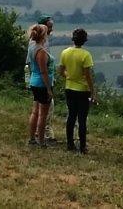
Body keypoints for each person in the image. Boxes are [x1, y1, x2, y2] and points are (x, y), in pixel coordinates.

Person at [59, 27, 96, 153]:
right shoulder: (86, 55)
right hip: (82, 90)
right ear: (85, 40)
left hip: (69, 88)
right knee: (82, 119)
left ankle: (70, 143)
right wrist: (93, 91)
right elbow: (88, 75)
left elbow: (60, 71)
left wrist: (68, 76)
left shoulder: (65, 52)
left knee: (71, 116)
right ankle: (82, 146)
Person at [27, 16, 57, 144]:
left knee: (35, 111)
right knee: (43, 114)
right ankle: (41, 140)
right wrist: (49, 88)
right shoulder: (41, 51)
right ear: (42, 36)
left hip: (34, 81)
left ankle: (32, 138)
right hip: (42, 84)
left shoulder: (32, 46)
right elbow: (44, 71)